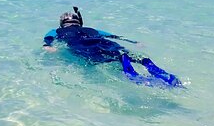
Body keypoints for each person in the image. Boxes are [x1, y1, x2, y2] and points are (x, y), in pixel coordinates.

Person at [43, 7, 182, 87]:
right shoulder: (93, 30)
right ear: (79, 22)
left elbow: (48, 40)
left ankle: (133, 75)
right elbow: (115, 37)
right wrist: (135, 43)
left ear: (62, 24)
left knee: (103, 60)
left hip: (84, 47)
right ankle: (150, 66)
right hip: (106, 43)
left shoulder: (56, 31)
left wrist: (48, 47)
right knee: (122, 54)